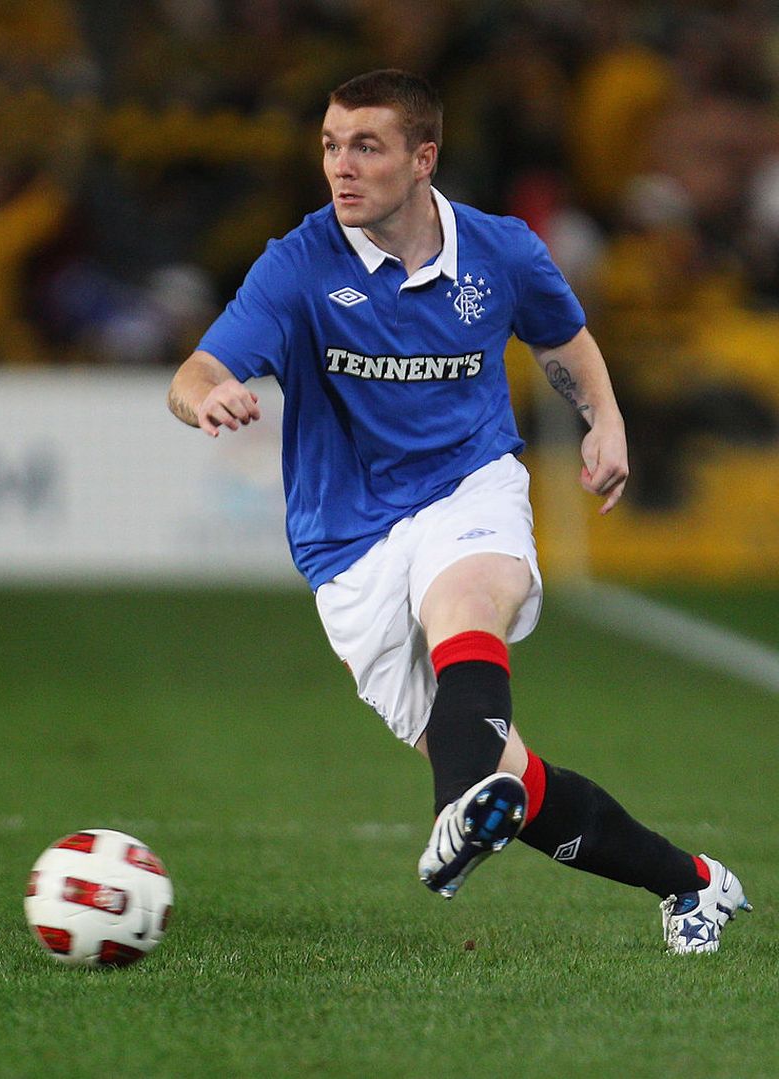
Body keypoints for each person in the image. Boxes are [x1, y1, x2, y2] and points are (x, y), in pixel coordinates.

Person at [168, 69, 751, 954]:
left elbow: (563, 337)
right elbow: (197, 370)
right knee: (508, 776)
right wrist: (206, 397)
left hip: (468, 486)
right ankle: (694, 882)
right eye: (330, 145)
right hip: (348, 545)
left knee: (466, 602)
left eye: (366, 146)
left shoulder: (501, 250)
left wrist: (605, 417)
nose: (340, 166)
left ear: (423, 158)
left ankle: (453, 809)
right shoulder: (298, 263)